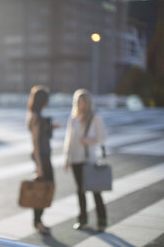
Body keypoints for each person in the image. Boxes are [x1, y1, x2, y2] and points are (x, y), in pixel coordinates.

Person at [63, 88, 107, 232]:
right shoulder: (73, 118)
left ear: (88, 103)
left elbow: (102, 138)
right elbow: (68, 140)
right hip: (76, 159)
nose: (80, 104)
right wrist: (66, 158)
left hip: (89, 159)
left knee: (95, 191)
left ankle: (101, 221)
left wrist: (88, 141)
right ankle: (82, 220)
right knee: (80, 191)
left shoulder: (95, 118)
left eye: (83, 102)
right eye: (78, 102)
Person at [26, 85, 59, 235]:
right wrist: (39, 166)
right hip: (42, 159)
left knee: (45, 189)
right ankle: (37, 222)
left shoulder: (38, 117)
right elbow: (36, 144)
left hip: (44, 158)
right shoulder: (36, 118)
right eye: (47, 99)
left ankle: (38, 221)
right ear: (42, 100)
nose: (49, 101)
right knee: (42, 190)